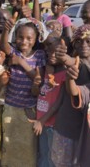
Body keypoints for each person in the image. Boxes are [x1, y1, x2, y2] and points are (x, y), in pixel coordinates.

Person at [51, 24, 90, 167]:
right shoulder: (76, 63)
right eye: (79, 41)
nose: (83, 45)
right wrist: (62, 56)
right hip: (68, 127)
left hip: (84, 130)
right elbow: (68, 60)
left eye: (88, 41)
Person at [0, 17, 47, 167]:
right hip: (11, 106)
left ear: (36, 39)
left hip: (29, 108)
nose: (24, 41)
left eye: (29, 38)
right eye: (20, 37)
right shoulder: (13, 51)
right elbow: (4, 46)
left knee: (27, 146)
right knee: (10, 142)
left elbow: (38, 78)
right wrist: (6, 30)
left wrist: (21, 62)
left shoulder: (40, 55)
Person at [30, 34, 65, 167]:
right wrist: (36, 84)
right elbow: (38, 93)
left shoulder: (64, 75)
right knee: (43, 154)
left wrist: (41, 121)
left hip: (51, 123)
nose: (52, 55)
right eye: (49, 52)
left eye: (56, 53)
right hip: (42, 122)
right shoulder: (46, 71)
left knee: (52, 157)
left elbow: (59, 102)